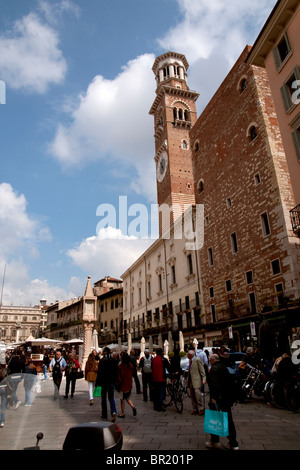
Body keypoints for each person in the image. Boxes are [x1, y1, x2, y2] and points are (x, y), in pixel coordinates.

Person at [206, 354, 239, 450]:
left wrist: (214, 398)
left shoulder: (214, 369)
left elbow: (214, 385)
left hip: (218, 399)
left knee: (214, 419)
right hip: (226, 398)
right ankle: (233, 442)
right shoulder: (224, 367)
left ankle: (214, 441)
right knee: (229, 420)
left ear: (212, 360)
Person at [96, 347, 118, 422]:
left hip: (103, 382)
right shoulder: (113, 360)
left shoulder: (102, 361)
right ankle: (113, 412)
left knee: (104, 399)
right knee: (111, 398)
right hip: (111, 382)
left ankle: (104, 415)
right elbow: (116, 372)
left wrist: (97, 383)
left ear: (105, 352)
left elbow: (99, 373)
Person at [117, 352, 137, 418]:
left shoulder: (121, 366)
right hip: (129, 384)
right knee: (128, 398)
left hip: (123, 385)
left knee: (122, 399)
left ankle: (122, 413)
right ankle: (133, 407)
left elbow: (120, 376)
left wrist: (118, 383)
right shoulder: (130, 365)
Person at [187, 350, 206, 416]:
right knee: (192, 395)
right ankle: (195, 408)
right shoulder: (190, 361)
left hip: (197, 380)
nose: (187, 355)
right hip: (191, 380)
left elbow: (202, 370)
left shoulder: (197, 360)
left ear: (190, 355)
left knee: (198, 395)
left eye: (188, 354)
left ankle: (201, 408)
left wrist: (204, 379)